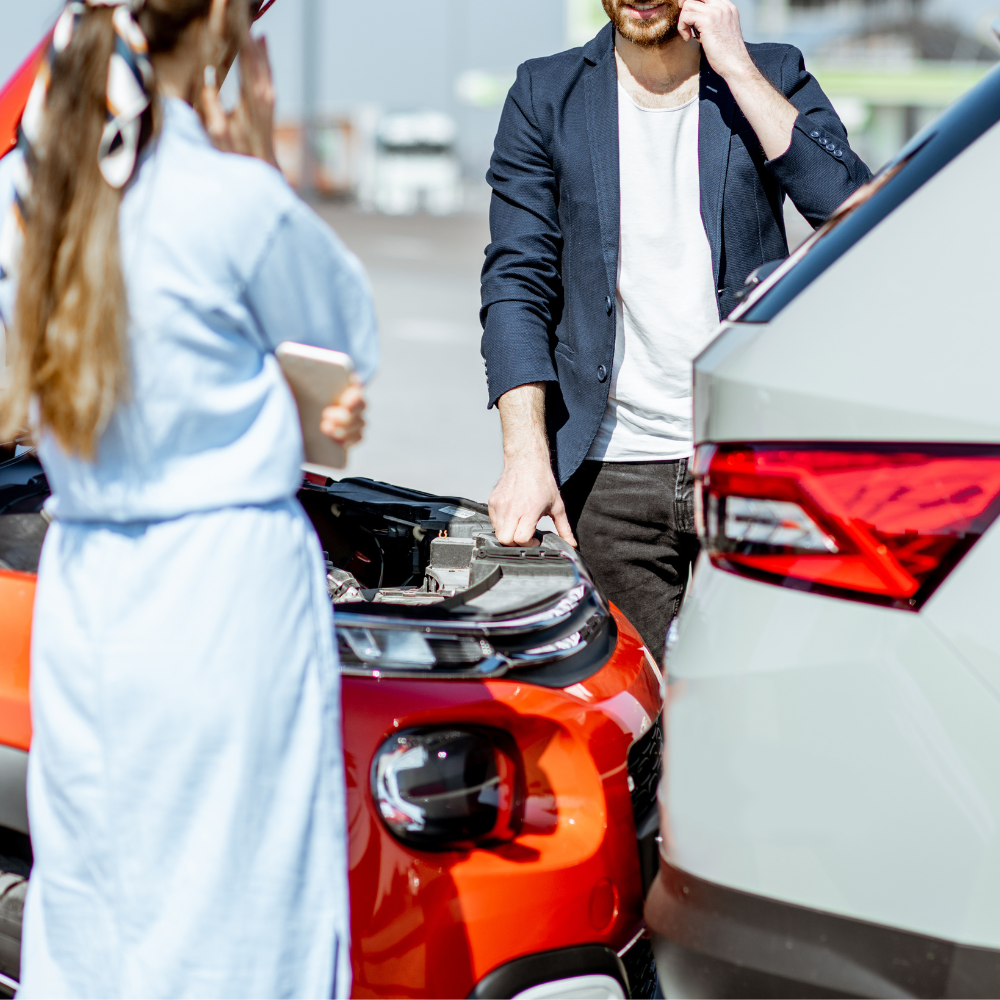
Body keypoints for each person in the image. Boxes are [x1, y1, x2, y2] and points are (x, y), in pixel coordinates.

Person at [0, 1, 377, 997]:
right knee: (240, 902)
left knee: (96, 896)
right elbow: (344, 346)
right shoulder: (230, 202)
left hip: (90, 587)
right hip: (221, 590)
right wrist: (255, 152)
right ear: (216, 23)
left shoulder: (43, 196)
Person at [481, 0, 871, 657]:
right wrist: (524, 457)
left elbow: (852, 210)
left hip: (750, 462)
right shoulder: (544, 94)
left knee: (762, 701)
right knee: (634, 719)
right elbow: (517, 284)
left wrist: (736, 67)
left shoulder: (770, 73)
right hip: (610, 472)